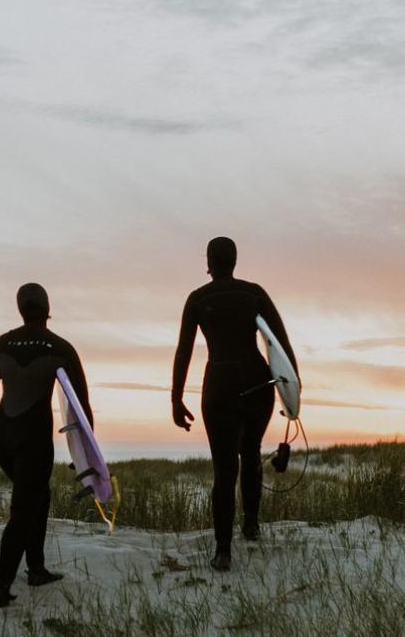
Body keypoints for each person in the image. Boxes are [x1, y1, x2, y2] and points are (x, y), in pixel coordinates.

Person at [170, 237, 298, 571]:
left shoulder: (198, 299)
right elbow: (280, 343)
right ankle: (251, 524)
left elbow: (184, 350)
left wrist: (176, 397)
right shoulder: (254, 293)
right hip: (257, 379)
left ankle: (223, 550)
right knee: (251, 451)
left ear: (209, 263)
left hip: (219, 382)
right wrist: (292, 391)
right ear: (235, 261)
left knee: (224, 470)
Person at [0, 283, 92, 607]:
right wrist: (84, 455)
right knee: (24, 509)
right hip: (32, 438)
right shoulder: (61, 347)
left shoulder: (1, 343)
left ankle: (37, 568)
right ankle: (1, 585)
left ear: (20, 308)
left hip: (0, 434)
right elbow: (81, 405)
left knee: (39, 496)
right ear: (47, 307)